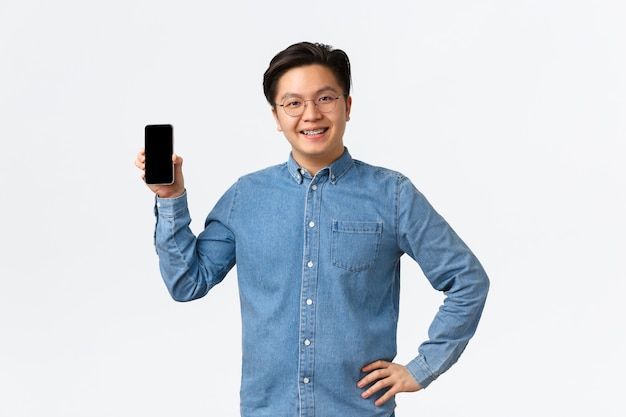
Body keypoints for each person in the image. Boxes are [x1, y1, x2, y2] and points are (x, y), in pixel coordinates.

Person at [135, 41, 489, 417]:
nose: (311, 114)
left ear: (347, 106)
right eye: (293, 103)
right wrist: (171, 198)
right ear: (276, 115)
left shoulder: (393, 195)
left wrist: (422, 368)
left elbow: (467, 280)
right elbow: (188, 284)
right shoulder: (246, 196)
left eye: (325, 98)